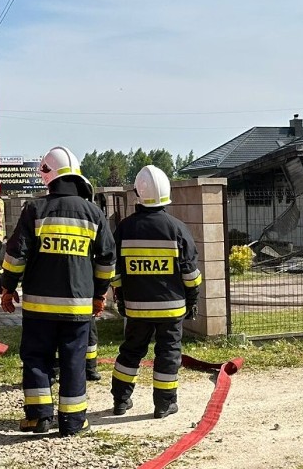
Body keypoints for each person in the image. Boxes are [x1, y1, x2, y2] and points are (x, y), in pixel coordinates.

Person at [0, 146, 115, 436]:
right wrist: (100, 295)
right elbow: (106, 260)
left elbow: (15, 254)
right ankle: (74, 422)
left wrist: (7, 288)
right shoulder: (93, 214)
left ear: (48, 177)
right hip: (77, 308)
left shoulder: (35, 210)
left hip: (39, 308)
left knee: (37, 357)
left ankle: (38, 418)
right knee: (74, 360)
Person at [110, 165, 201, 419]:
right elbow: (190, 273)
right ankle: (164, 404)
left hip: (137, 307)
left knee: (130, 351)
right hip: (172, 308)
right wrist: (193, 300)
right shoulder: (177, 228)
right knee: (168, 354)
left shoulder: (125, 229)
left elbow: (114, 272)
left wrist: (120, 298)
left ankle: (120, 400)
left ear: (138, 193)